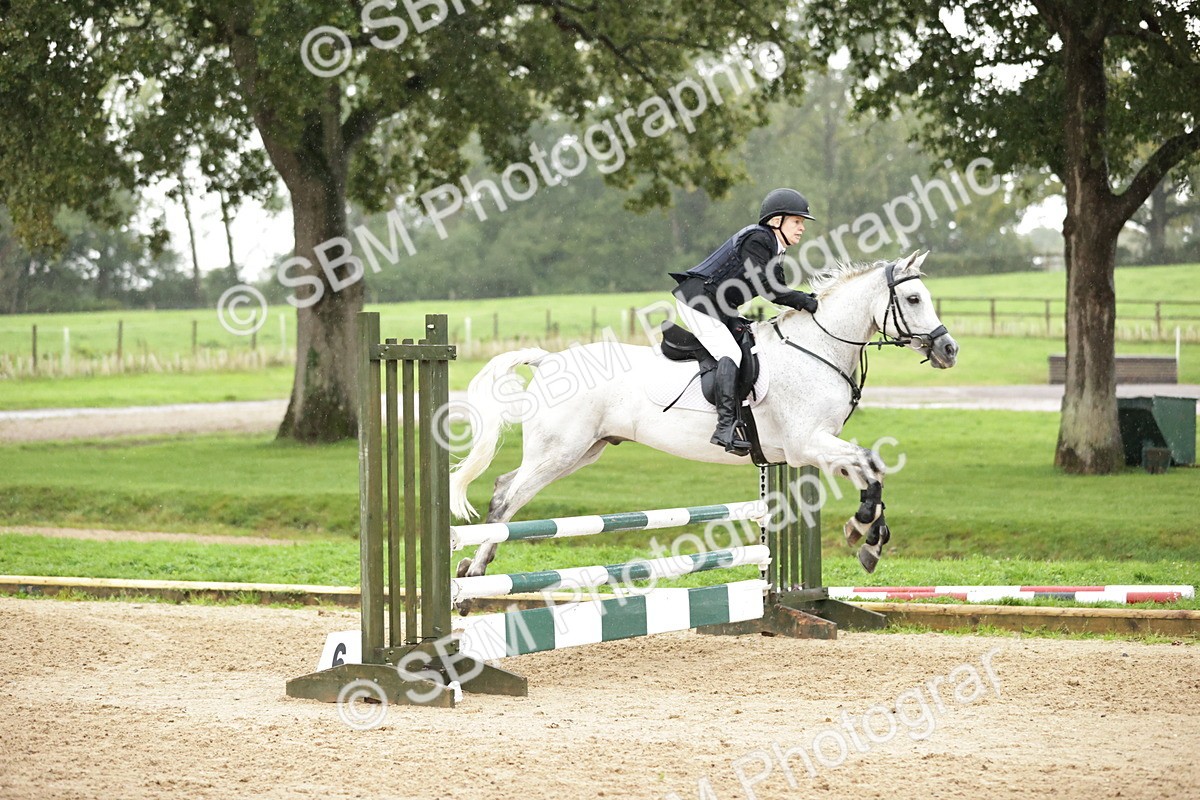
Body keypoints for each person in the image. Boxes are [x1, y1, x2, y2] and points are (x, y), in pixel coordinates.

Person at [668, 188, 820, 454]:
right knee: (730, 352)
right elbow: (770, 290)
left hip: (720, 305)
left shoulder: (774, 248)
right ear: (776, 221)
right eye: (797, 221)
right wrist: (806, 301)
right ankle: (725, 426)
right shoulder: (758, 240)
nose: (802, 228)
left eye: (802, 223)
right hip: (699, 301)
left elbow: (779, 289)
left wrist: (806, 299)